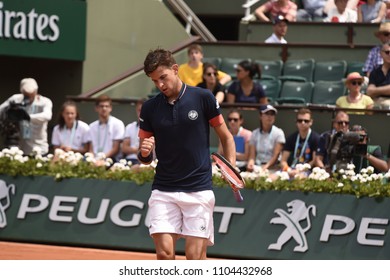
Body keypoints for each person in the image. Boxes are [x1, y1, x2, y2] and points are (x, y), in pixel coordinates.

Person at [138, 48, 235, 260]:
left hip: (198, 189)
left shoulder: (203, 98)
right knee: (164, 254)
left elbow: (226, 137)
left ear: (175, 69)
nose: (160, 85)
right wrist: (145, 153)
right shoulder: (149, 108)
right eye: (155, 81)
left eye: (163, 78)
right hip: (164, 189)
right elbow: (144, 156)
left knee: (194, 258)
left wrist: (231, 168)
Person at [0, 78, 52, 155]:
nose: (29, 98)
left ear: (36, 91)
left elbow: (47, 116)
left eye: (31, 95)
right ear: (22, 92)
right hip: (21, 148)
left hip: (39, 148)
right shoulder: (16, 99)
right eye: (26, 95)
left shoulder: (44, 101)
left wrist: (27, 117)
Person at [280, 108, 320, 176]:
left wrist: (299, 170)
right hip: (291, 169)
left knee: (298, 179)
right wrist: (288, 170)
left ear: (311, 122)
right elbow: (283, 160)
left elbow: (314, 161)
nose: (302, 123)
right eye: (300, 121)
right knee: (272, 178)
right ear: (296, 122)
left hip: (307, 171)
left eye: (306, 121)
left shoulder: (316, 138)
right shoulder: (291, 138)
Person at [246, 104, 286, 173]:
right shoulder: (255, 133)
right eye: (267, 114)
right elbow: (252, 156)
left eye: (272, 114)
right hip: (257, 167)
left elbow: (275, 156)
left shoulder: (279, 133)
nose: (269, 117)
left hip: (273, 168)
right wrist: (250, 163)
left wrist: (264, 168)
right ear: (260, 116)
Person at [89, 95, 125, 162]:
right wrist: (91, 159)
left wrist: (102, 158)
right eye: (101, 106)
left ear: (110, 108)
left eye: (106, 106)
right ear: (96, 108)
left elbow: (116, 148)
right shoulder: (92, 126)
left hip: (111, 159)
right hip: (95, 159)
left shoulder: (118, 123)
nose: (104, 108)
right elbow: (91, 149)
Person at [121, 99, 145, 166]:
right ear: (136, 111)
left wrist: (132, 150)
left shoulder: (154, 127)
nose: (141, 113)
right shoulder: (130, 127)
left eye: (144, 110)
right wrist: (139, 150)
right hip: (129, 160)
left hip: (145, 162)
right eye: (139, 110)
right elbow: (124, 148)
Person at [367, 41, 390, 108]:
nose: (389, 55)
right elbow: (370, 91)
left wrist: (376, 90)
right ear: (381, 54)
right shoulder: (375, 72)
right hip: (376, 101)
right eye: (387, 52)